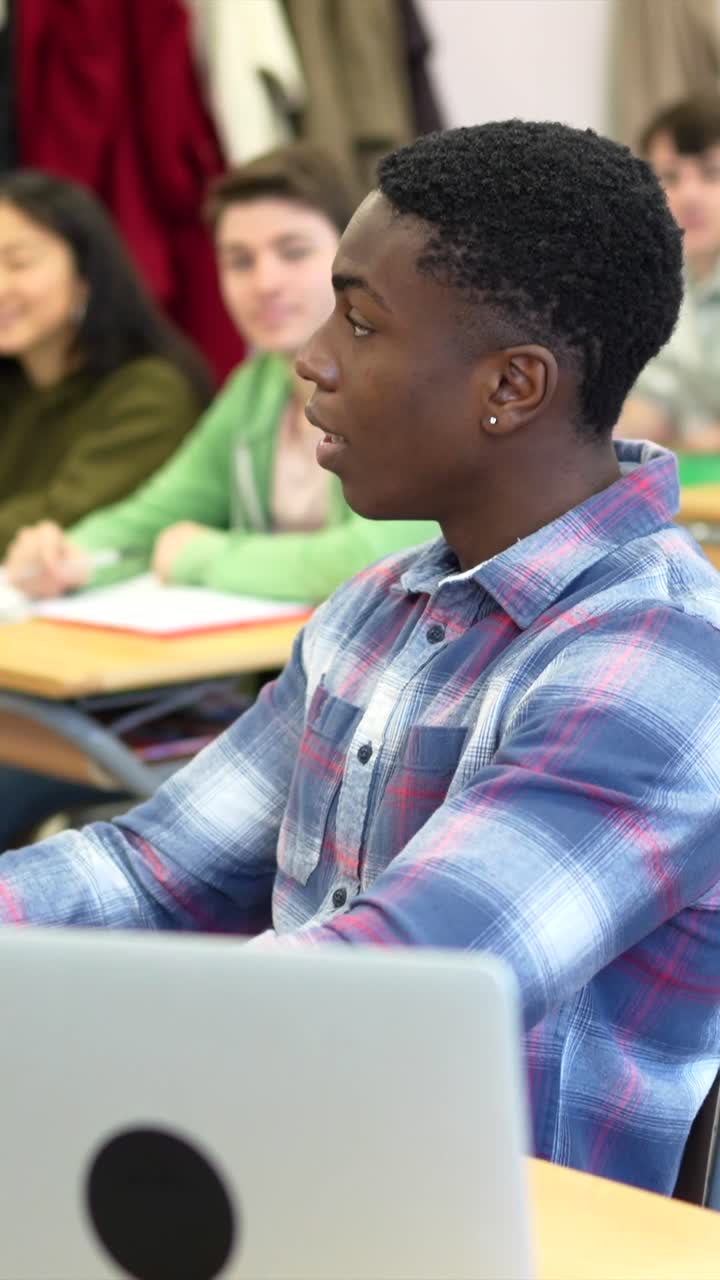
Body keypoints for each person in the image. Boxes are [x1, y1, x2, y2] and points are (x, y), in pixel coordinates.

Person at [0, 121, 718, 1200]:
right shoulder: (375, 609)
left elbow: (386, 987)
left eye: (362, 321)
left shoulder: (659, 658)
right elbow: (153, 868)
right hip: (300, 1176)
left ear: (512, 387)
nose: (313, 357)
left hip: (515, 1230)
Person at [3, 144, 437, 603]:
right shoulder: (258, 384)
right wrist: (70, 554)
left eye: (293, 253)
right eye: (240, 261)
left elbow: (375, 561)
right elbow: (158, 513)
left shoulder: (406, 384)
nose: (264, 282)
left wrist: (203, 556)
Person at [0, 170, 211, 556]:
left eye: (19, 263)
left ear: (85, 274)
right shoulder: (13, 383)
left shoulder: (150, 392)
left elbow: (64, 518)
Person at [618, 95, 720, 482]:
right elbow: (656, 401)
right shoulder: (658, 284)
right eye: (672, 177)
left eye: (711, 174)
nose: (689, 195)